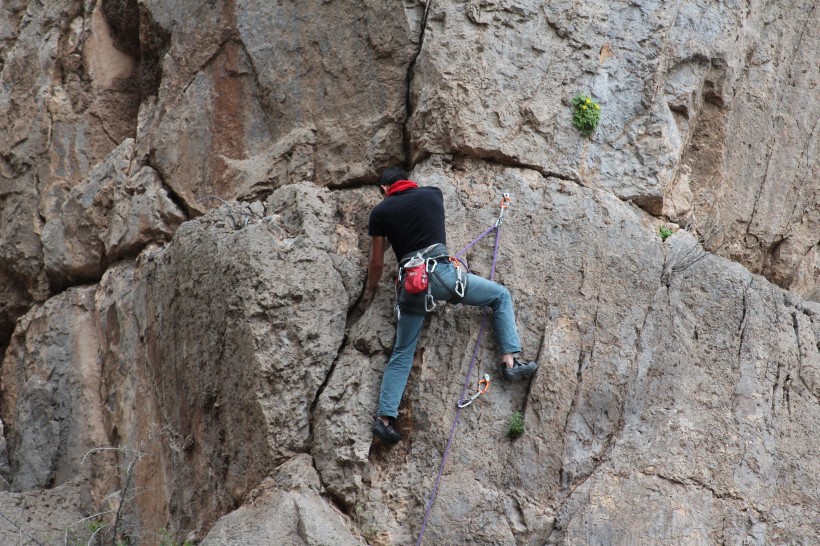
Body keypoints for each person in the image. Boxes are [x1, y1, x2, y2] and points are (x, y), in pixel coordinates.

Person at [366, 167, 537, 444]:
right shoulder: (432, 194)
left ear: (385, 189)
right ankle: (510, 361)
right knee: (500, 296)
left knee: (403, 351)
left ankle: (385, 420)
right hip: (444, 276)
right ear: (411, 182)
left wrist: (371, 291)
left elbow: (376, 263)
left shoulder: (380, 213)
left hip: (412, 286)